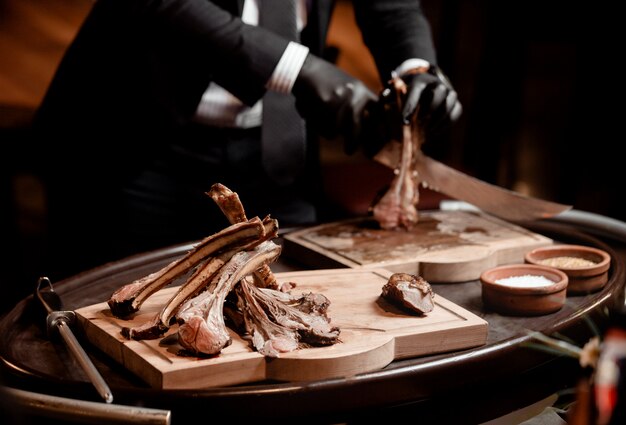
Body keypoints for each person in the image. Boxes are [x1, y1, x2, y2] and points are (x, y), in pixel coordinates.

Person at [31, 0, 462, 281]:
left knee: (289, 318)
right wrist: (297, 69)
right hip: (128, 141)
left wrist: (415, 66)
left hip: (277, 148)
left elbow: (392, 7)